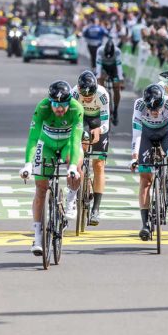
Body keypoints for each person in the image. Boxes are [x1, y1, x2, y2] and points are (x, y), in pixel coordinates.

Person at [19, 81, 83, 256]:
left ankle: (71, 199)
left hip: (67, 144)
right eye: (56, 105)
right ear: (50, 102)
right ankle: (38, 236)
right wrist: (28, 164)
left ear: (69, 102)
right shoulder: (42, 107)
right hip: (46, 144)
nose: (60, 109)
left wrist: (71, 167)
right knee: (40, 188)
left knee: (76, 168)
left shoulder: (76, 108)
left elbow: (76, 140)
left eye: (63, 105)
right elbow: (32, 138)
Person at [130, 84, 168, 240]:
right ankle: (145, 224)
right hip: (145, 134)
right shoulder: (139, 105)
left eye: (157, 108)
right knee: (145, 178)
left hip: (166, 132)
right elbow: (136, 134)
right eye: (151, 109)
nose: (154, 112)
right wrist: (134, 157)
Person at [71, 70, 110, 225]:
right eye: (84, 97)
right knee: (80, 153)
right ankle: (83, 182)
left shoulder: (102, 94)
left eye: (90, 97)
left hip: (98, 121)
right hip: (81, 119)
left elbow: (107, 122)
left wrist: (100, 130)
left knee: (99, 165)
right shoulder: (74, 93)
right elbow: (72, 119)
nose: (87, 99)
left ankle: (96, 209)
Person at [96, 39, 124, 126]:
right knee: (100, 83)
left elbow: (119, 66)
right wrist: (98, 77)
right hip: (104, 67)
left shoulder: (117, 51)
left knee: (116, 87)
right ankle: (102, 106)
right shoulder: (100, 50)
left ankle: (115, 110)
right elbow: (98, 66)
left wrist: (120, 78)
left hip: (114, 68)